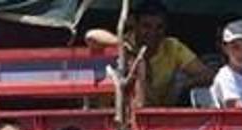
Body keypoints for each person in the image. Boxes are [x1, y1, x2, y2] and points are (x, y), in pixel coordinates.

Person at [85, 0, 213, 107]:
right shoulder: (126, 43)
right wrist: (123, 46)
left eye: (159, 27)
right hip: (124, 116)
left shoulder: (172, 47)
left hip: (159, 117)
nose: (153, 33)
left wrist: (183, 85)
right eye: (146, 26)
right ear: (134, 24)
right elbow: (90, 36)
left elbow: (208, 75)